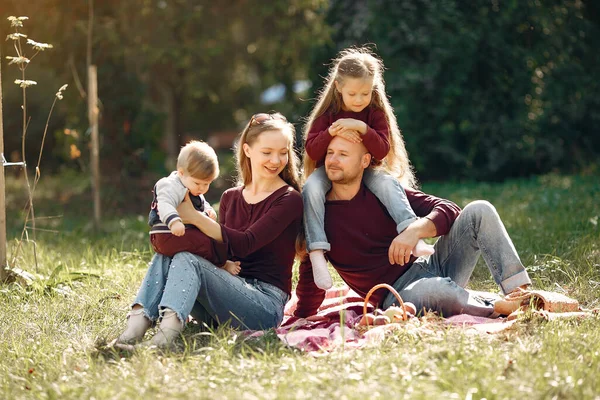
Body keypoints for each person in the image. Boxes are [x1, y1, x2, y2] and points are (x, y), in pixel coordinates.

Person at [115, 112, 303, 348]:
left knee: (188, 259)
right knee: (171, 252)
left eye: (283, 153)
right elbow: (219, 249)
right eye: (267, 152)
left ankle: (164, 339)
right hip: (221, 302)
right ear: (247, 150)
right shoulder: (230, 197)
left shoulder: (289, 199)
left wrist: (193, 216)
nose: (275, 160)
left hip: (262, 308)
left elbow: (245, 243)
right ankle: (133, 331)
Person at [294, 136, 532, 319]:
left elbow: (448, 209)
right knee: (438, 291)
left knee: (480, 210)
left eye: (343, 154)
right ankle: (496, 309)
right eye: (330, 153)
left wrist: (414, 232)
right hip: (396, 294)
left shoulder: (382, 193)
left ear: (364, 161)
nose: (332, 160)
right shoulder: (319, 213)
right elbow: (310, 267)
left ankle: (519, 293)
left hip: (432, 266)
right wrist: (303, 314)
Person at [302, 47, 433, 290]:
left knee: (386, 182)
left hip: (367, 169)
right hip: (330, 169)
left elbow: (382, 150)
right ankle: (317, 251)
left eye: (365, 93)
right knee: (311, 187)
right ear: (338, 87)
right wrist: (330, 132)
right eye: (353, 93)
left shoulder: (374, 113)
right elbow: (311, 150)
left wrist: (360, 127)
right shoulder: (328, 114)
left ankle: (412, 234)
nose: (360, 100)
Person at [148, 140, 237, 274]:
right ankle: (222, 264)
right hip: (167, 234)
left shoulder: (191, 187)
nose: (202, 188)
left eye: (207, 184)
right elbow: (164, 203)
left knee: (206, 239)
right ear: (181, 173)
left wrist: (208, 211)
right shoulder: (170, 185)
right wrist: (174, 222)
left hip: (178, 235)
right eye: (198, 183)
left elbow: (200, 203)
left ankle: (214, 262)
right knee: (204, 243)